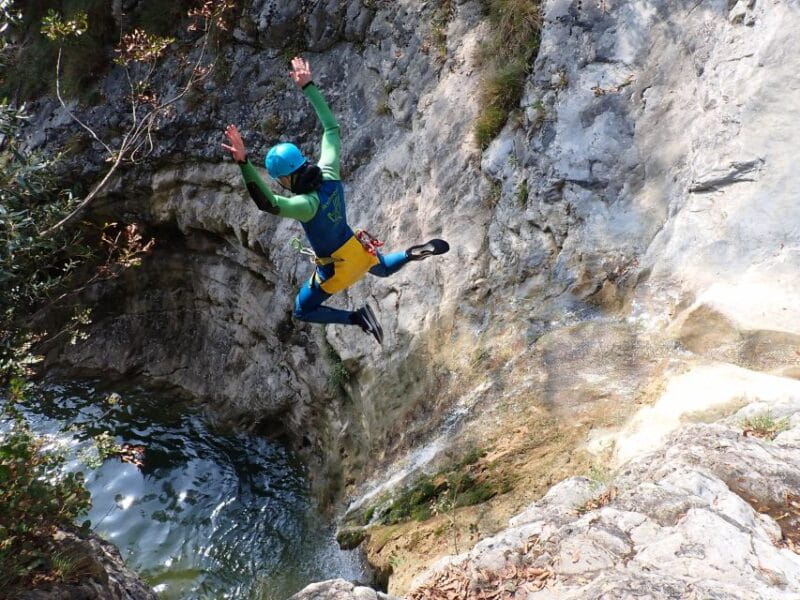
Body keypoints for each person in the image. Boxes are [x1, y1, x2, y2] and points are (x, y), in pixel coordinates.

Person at [222, 57, 449, 344]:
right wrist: (308, 86)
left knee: (303, 310)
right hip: (358, 250)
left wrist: (244, 163)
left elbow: (268, 203)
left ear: (285, 179)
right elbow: (331, 130)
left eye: (279, 180)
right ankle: (408, 254)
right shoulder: (329, 171)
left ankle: (357, 318)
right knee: (380, 267)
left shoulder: (306, 206)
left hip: (336, 269)